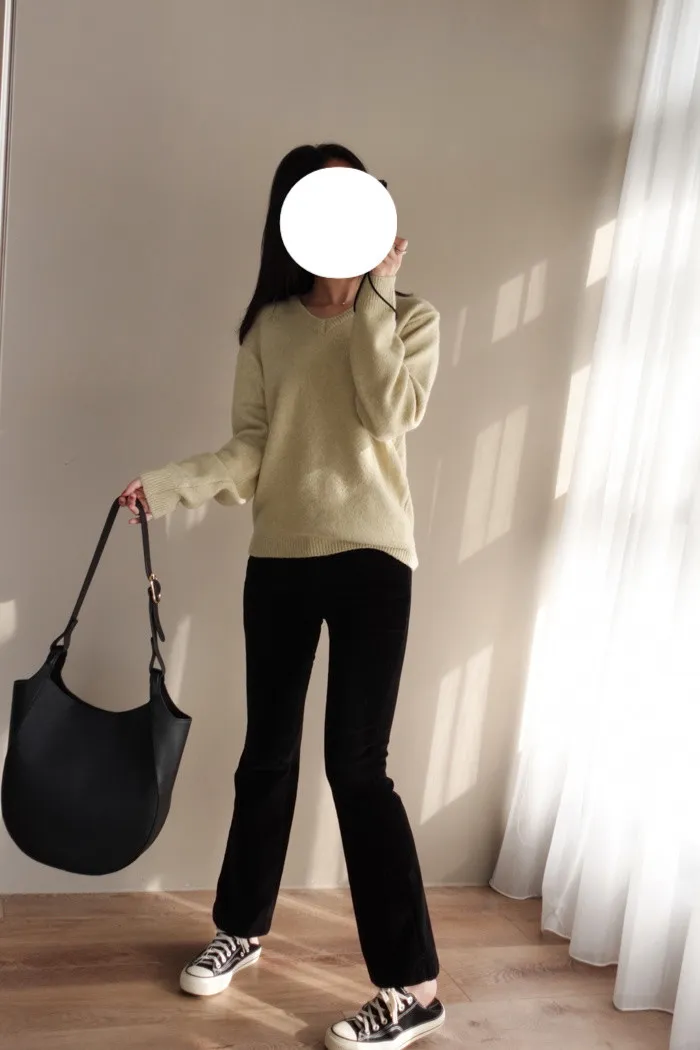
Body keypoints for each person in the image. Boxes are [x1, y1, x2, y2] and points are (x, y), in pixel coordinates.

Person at [119, 142, 443, 1050]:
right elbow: (251, 450)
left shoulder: (410, 317)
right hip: (281, 560)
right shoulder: (270, 329)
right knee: (266, 754)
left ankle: (413, 988)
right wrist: (169, 485)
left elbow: (390, 412)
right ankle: (242, 928)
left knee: (357, 766)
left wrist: (373, 293)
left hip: (374, 557)